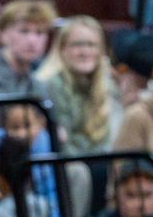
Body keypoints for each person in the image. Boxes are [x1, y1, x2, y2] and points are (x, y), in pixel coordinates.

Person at [35, 16, 115, 156]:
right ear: (62, 49)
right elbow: (63, 143)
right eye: (77, 44)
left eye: (91, 45)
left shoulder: (106, 84)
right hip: (68, 162)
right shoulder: (51, 84)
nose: (85, 52)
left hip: (96, 158)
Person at [0, 0, 56, 102]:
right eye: (24, 31)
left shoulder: (40, 69)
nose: (32, 40)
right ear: (4, 35)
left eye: (39, 32)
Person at [109, 28, 153, 112]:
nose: (136, 94)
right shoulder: (104, 84)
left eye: (142, 86)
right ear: (121, 70)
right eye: (138, 83)